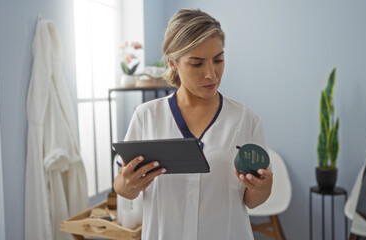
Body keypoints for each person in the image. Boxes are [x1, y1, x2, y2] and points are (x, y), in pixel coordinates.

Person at [113, 8, 273, 240]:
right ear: (173, 63)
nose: (211, 74)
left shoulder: (245, 119)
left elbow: (252, 200)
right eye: (197, 64)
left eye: (218, 59)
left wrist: (262, 188)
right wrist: (129, 184)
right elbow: (122, 187)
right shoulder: (147, 116)